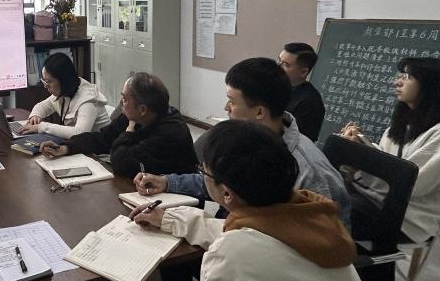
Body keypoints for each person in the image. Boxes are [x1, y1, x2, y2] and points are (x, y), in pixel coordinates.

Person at [131, 120, 378, 281]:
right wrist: (169, 218)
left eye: (203, 171)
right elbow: (245, 236)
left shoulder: (232, 254)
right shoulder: (309, 215)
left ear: (226, 193)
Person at [136, 58, 350, 226]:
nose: (226, 108)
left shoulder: (310, 173)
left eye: (231, 101)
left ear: (259, 112)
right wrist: (167, 182)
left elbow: (326, 243)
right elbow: (220, 182)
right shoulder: (243, 140)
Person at [341, 57, 440, 243]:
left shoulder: (437, 133)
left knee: (333, 210)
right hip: (374, 199)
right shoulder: (400, 126)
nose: (397, 82)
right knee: (324, 194)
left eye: (407, 77)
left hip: (407, 220)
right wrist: (357, 146)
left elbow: (413, 183)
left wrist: (362, 163)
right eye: (399, 76)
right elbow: (385, 158)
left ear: (429, 85)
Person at [39, 72, 197, 179]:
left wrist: (129, 131)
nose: (121, 103)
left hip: (178, 201)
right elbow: (103, 138)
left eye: (125, 99)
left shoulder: (171, 132)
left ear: (142, 109)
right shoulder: (139, 115)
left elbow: (121, 161)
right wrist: (66, 147)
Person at [19, 52, 111, 139]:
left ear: (64, 80)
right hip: (80, 146)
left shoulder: (88, 99)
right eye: (44, 81)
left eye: (48, 81)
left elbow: (79, 133)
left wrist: (41, 127)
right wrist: (35, 116)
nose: (45, 86)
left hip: (98, 150)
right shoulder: (65, 91)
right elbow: (43, 106)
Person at [278, 42, 326, 141]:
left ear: (304, 72)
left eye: (286, 64)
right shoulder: (274, 86)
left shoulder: (311, 102)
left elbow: (300, 142)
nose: (278, 66)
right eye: (279, 61)